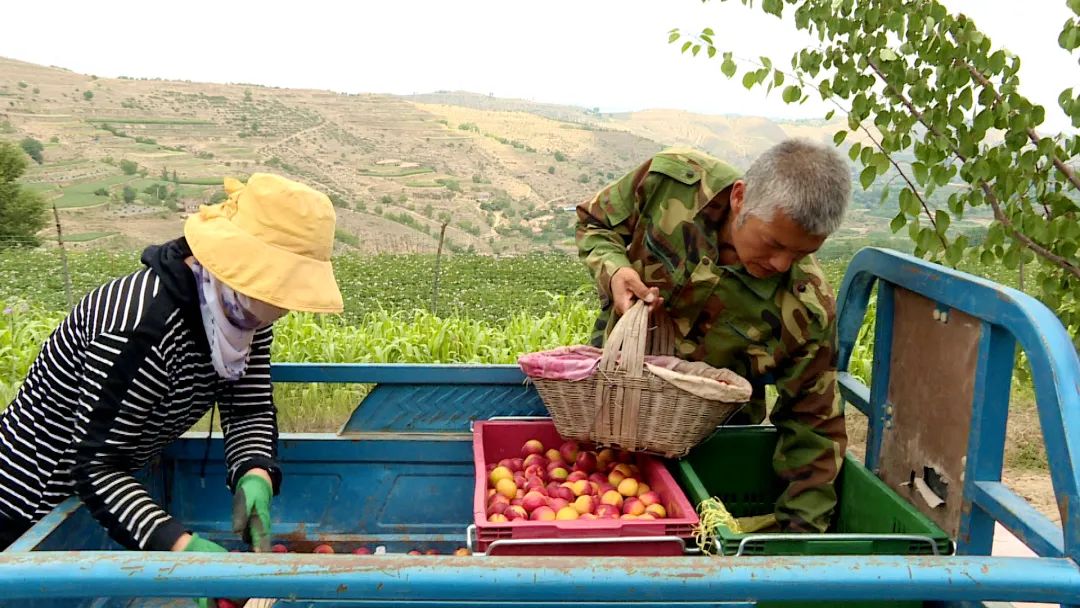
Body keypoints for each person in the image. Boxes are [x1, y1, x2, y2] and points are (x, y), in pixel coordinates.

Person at [0, 173, 343, 558]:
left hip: (109, 491)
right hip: (31, 503)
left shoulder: (244, 314)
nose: (284, 306)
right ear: (240, 264)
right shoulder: (139, 327)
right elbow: (96, 468)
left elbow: (247, 407)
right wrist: (183, 549)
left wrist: (255, 471)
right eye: (281, 285)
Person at [576, 139, 851, 533]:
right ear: (740, 198)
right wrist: (614, 269)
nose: (781, 263)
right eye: (774, 243)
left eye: (802, 252)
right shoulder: (669, 183)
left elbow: (814, 423)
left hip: (710, 453)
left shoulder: (805, 308)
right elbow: (594, 221)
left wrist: (799, 539)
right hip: (609, 412)